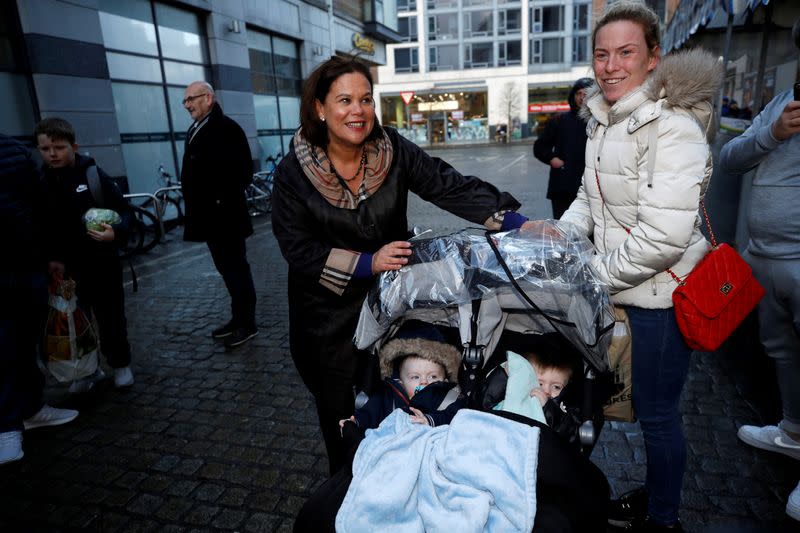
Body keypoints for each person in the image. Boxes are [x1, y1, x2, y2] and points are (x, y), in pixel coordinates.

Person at [271, 55, 532, 474]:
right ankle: (349, 489)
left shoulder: (391, 149)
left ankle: (399, 481)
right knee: (343, 418)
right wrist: (368, 261)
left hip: (390, 306)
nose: (358, 111)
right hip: (325, 320)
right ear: (319, 108)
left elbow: (447, 184)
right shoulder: (292, 173)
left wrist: (517, 224)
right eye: (344, 100)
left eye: (366, 99)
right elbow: (296, 247)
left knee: (394, 398)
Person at [554, 2, 722, 530]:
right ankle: (654, 495)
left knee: (657, 415)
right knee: (617, 403)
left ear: (654, 57)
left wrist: (591, 274)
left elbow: (663, 238)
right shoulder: (604, 122)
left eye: (626, 52)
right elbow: (588, 197)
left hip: (662, 300)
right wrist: (556, 243)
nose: (610, 65)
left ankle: (664, 517)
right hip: (623, 293)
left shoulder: (670, 128)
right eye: (602, 54)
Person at [718, 16, 800, 523]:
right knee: (779, 349)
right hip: (763, 253)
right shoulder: (785, 98)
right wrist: (772, 132)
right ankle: (793, 430)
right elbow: (731, 157)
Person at [36, 118, 135, 389]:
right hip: (67, 270)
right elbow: (43, 227)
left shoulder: (92, 175)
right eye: (45, 149)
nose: (52, 154)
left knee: (111, 317)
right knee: (75, 321)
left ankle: (120, 363)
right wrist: (51, 258)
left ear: (74, 146)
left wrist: (116, 233)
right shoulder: (40, 181)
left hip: (102, 265)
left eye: (59, 147)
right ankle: (87, 371)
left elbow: (125, 213)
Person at [0, 133, 80, 464]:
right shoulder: (17, 151)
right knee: (5, 346)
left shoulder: (14, 151)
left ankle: (30, 410)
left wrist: (51, 255)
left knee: (25, 342)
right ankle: (6, 426)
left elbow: (43, 207)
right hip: (21, 265)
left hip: (26, 266)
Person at [180, 81, 258, 349]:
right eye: (185, 101)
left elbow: (244, 172)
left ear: (209, 98)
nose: (188, 104)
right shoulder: (195, 128)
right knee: (227, 272)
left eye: (192, 98)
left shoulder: (227, 128)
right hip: (209, 220)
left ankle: (247, 324)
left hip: (226, 219)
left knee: (237, 271)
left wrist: (217, 198)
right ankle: (237, 319)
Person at [339, 321, 465, 431]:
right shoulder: (390, 397)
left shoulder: (449, 397)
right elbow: (372, 411)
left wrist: (431, 421)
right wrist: (357, 422)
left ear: (445, 379)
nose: (424, 382)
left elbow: (457, 416)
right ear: (400, 381)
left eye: (433, 377)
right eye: (415, 377)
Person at [478, 346, 581, 445]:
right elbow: (482, 404)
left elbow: (572, 435)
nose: (546, 391)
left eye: (556, 387)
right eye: (540, 383)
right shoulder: (512, 396)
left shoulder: (565, 407)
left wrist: (548, 408)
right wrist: (504, 377)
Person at [533, 77, 594, 219]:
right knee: (564, 230)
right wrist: (552, 158)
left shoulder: (601, 120)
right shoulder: (559, 120)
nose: (582, 97)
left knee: (591, 235)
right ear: (573, 96)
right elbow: (540, 147)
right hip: (563, 187)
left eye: (586, 94)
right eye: (578, 93)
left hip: (592, 188)